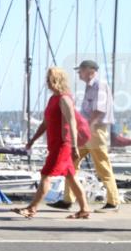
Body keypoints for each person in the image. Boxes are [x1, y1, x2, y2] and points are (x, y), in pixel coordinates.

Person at [12, 67, 90, 219]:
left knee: (46, 175)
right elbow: (46, 123)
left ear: (56, 80)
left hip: (63, 145)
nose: (47, 83)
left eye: (49, 80)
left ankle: (32, 208)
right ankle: (85, 209)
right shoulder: (53, 99)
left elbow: (72, 123)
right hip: (54, 144)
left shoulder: (64, 99)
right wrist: (32, 140)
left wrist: (74, 146)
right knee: (71, 177)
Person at [49, 59, 121, 212]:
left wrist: (86, 127)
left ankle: (113, 202)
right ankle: (68, 199)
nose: (78, 73)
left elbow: (99, 110)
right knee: (71, 162)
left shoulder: (99, 85)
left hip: (95, 131)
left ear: (90, 70)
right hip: (88, 131)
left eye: (80, 70)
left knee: (102, 166)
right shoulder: (91, 86)